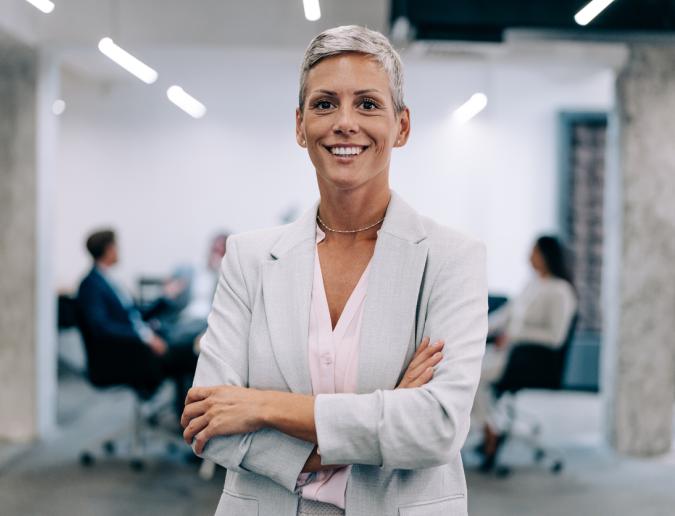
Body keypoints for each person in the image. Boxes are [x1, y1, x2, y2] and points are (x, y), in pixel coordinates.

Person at [181, 26, 487, 516]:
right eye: (325, 104)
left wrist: (265, 407)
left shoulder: (452, 258)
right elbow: (207, 425)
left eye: (367, 104)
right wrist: (384, 417)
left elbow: (438, 428)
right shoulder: (249, 258)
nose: (345, 122)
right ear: (300, 125)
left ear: (401, 126)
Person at [472, 235, 577, 470]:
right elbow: (507, 315)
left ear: (547, 256)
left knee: (473, 375)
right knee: (466, 369)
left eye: (534, 252)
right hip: (509, 354)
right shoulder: (532, 284)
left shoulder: (561, 291)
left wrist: (514, 337)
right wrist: (477, 328)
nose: (529, 257)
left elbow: (555, 337)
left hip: (531, 361)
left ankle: (489, 430)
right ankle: (488, 428)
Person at [76, 229, 198, 416]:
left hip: (134, 347)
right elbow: (101, 328)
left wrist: (164, 297)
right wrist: (145, 338)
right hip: (118, 358)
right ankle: (186, 417)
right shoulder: (90, 285)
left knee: (185, 346)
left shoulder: (109, 280)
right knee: (189, 354)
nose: (119, 251)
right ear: (109, 249)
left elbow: (134, 315)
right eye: (116, 246)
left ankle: (183, 414)